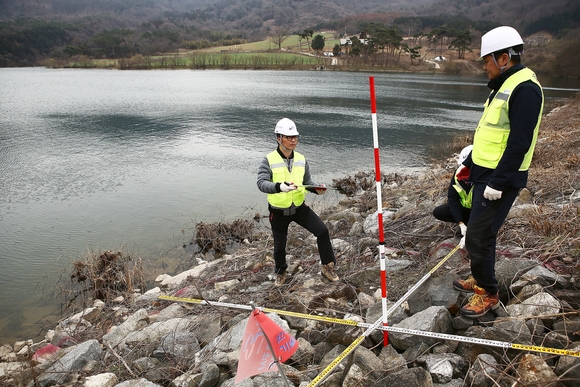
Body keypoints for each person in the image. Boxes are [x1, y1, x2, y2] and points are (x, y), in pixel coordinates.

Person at [453, 26, 544, 318]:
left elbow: (519, 143)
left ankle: (488, 293)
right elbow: (492, 135)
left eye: (486, 61)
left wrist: (498, 182)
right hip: (484, 173)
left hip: (500, 180)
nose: (484, 67)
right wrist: (469, 165)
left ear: (503, 58)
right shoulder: (504, 86)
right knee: (482, 234)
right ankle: (480, 280)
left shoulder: (525, 89)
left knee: (478, 236)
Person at [257, 118, 339, 286]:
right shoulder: (268, 160)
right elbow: (261, 183)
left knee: (322, 231)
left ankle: (327, 266)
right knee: (280, 245)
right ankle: (281, 272)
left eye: (295, 137)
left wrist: (317, 189)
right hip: (278, 211)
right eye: (289, 137)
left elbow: (307, 182)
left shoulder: (301, 159)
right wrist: (279, 187)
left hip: (299, 208)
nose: (294, 140)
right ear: (279, 138)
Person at [433, 145, 473, 247]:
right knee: (439, 212)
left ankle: (473, 228)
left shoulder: (482, 179)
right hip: (467, 210)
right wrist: (460, 223)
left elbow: (483, 205)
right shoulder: (458, 175)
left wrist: (473, 228)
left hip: (483, 212)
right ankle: (465, 225)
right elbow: (453, 199)